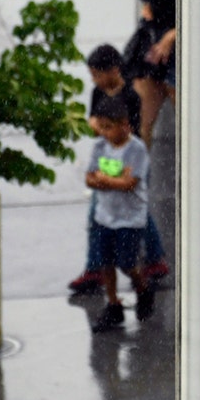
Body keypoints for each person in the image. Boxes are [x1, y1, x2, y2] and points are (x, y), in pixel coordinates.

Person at [68, 45, 169, 295]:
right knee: (116, 212)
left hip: (128, 160)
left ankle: (100, 268)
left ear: (113, 70)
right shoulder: (97, 93)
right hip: (107, 158)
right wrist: (102, 128)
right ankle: (151, 260)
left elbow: (126, 130)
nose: (94, 80)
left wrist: (103, 128)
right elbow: (94, 123)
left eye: (97, 74)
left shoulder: (131, 97)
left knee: (130, 210)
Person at [85, 96, 155, 332]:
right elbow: (89, 177)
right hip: (105, 216)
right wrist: (108, 180)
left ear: (124, 124)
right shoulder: (100, 147)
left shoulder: (136, 149)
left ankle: (142, 288)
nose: (103, 133)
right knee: (106, 263)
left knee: (126, 263)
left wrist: (104, 179)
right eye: (101, 127)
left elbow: (129, 183)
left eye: (108, 127)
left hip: (129, 219)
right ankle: (113, 304)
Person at [127, 0, 178, 148]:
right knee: (140, 121)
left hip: (173, 49)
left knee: (187, 119)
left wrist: (173, 35)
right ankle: (139, 177)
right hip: (150, 44)